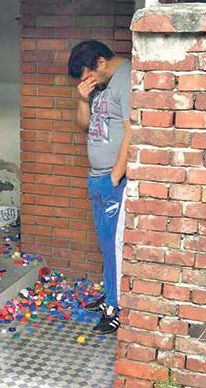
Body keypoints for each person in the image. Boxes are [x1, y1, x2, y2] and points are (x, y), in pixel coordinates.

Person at [67, 40, 131, 334]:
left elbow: (132, 129)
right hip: (97, 176)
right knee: (105, 243)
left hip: (112, 179)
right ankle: (110, 294)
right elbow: (85, 127)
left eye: (88, 76)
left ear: (101, 62)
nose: (88, 82)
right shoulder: (98, 87)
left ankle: (115, 308)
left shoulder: (125, 78)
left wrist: (115, 176)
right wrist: (83, 100)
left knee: (115, 245)